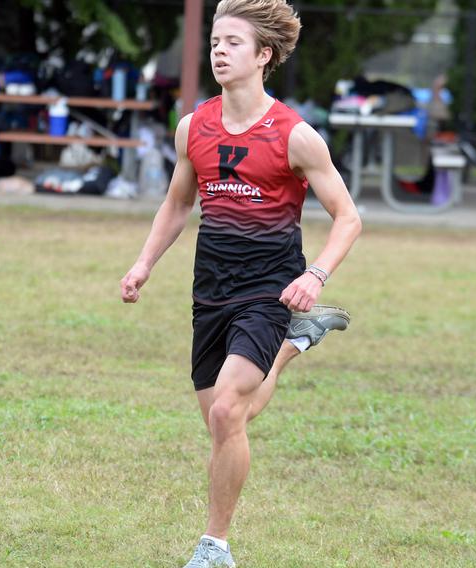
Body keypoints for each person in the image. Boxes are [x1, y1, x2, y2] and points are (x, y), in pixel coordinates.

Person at [119, 2, 362, 566]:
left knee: (228, 412)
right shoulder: (194, 126)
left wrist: (315, 274)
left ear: (264, 55)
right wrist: (143, 263)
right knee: (225, 419)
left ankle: (214, 547)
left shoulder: (295, 135)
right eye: (215, 42)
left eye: (232, 42)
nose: (219, 52)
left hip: (270, 290)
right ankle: (293, 346)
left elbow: (348, 217)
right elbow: (178, 204)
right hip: (211, 291)